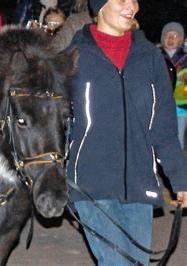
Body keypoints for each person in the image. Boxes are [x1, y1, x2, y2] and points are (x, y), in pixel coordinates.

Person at [66, 0, 187, 265]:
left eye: (134, 0)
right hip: (90, 184)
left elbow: (164, 126)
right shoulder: (73, 56)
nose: (131, 6)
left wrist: (180, 178)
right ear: (99, 5)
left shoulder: (151, 57)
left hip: (139, 183)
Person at [160, 22, 187, 149]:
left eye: (175, 36)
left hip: (181, 105)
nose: (170, 39)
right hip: (160, 106)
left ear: (181, 39)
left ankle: (179, 166)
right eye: (167, 36)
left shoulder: (185, 58)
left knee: (178, 137)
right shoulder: (156, 56)